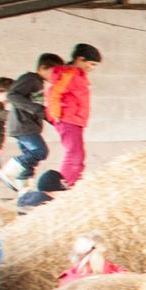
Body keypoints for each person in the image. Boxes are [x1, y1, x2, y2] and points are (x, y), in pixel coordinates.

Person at [42, 43, 101, 186]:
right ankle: (64, 186)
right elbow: (54, 92)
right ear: (80, 59)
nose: (92, 68)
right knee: (74, 154)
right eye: (91, 64)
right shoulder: (70, 74)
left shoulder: (78, 75)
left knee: (78, 155)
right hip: (68, 119)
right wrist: (56, 114)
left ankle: (73, 184)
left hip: (75, 120)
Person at [5, 54, 54, 185]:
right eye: (54, 72)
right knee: (40, 151)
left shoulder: (39, 83)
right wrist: (36, 109)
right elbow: (12, 95)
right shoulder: (30, 78)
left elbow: (39, 108)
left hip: (28, 126)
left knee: (31, 160)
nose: (56, 76)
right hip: (24, 125)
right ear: (43, 67)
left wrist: (53, 119)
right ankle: (8, 171)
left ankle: (24, 189)